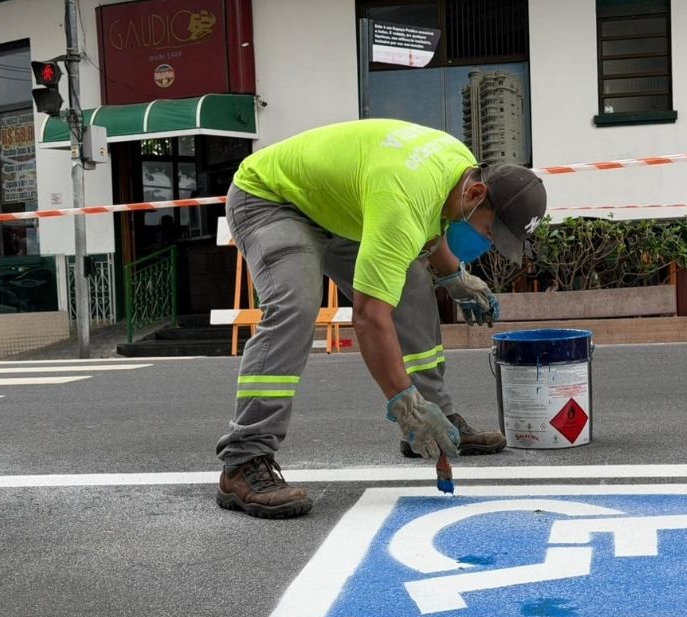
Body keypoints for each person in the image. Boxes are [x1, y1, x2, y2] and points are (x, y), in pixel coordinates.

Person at [215, 119, 547, 519]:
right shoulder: (403, 201)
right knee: (294, 307)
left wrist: (454, 277)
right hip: (274, 199)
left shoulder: (460, 169)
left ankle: (433, 423)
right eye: (490, 231)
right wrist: (402, 401)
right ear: (476, 193)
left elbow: (431, 229)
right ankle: (245, 459)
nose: (488, 243)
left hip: (343, 208)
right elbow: (371, 317)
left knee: (412, 287)